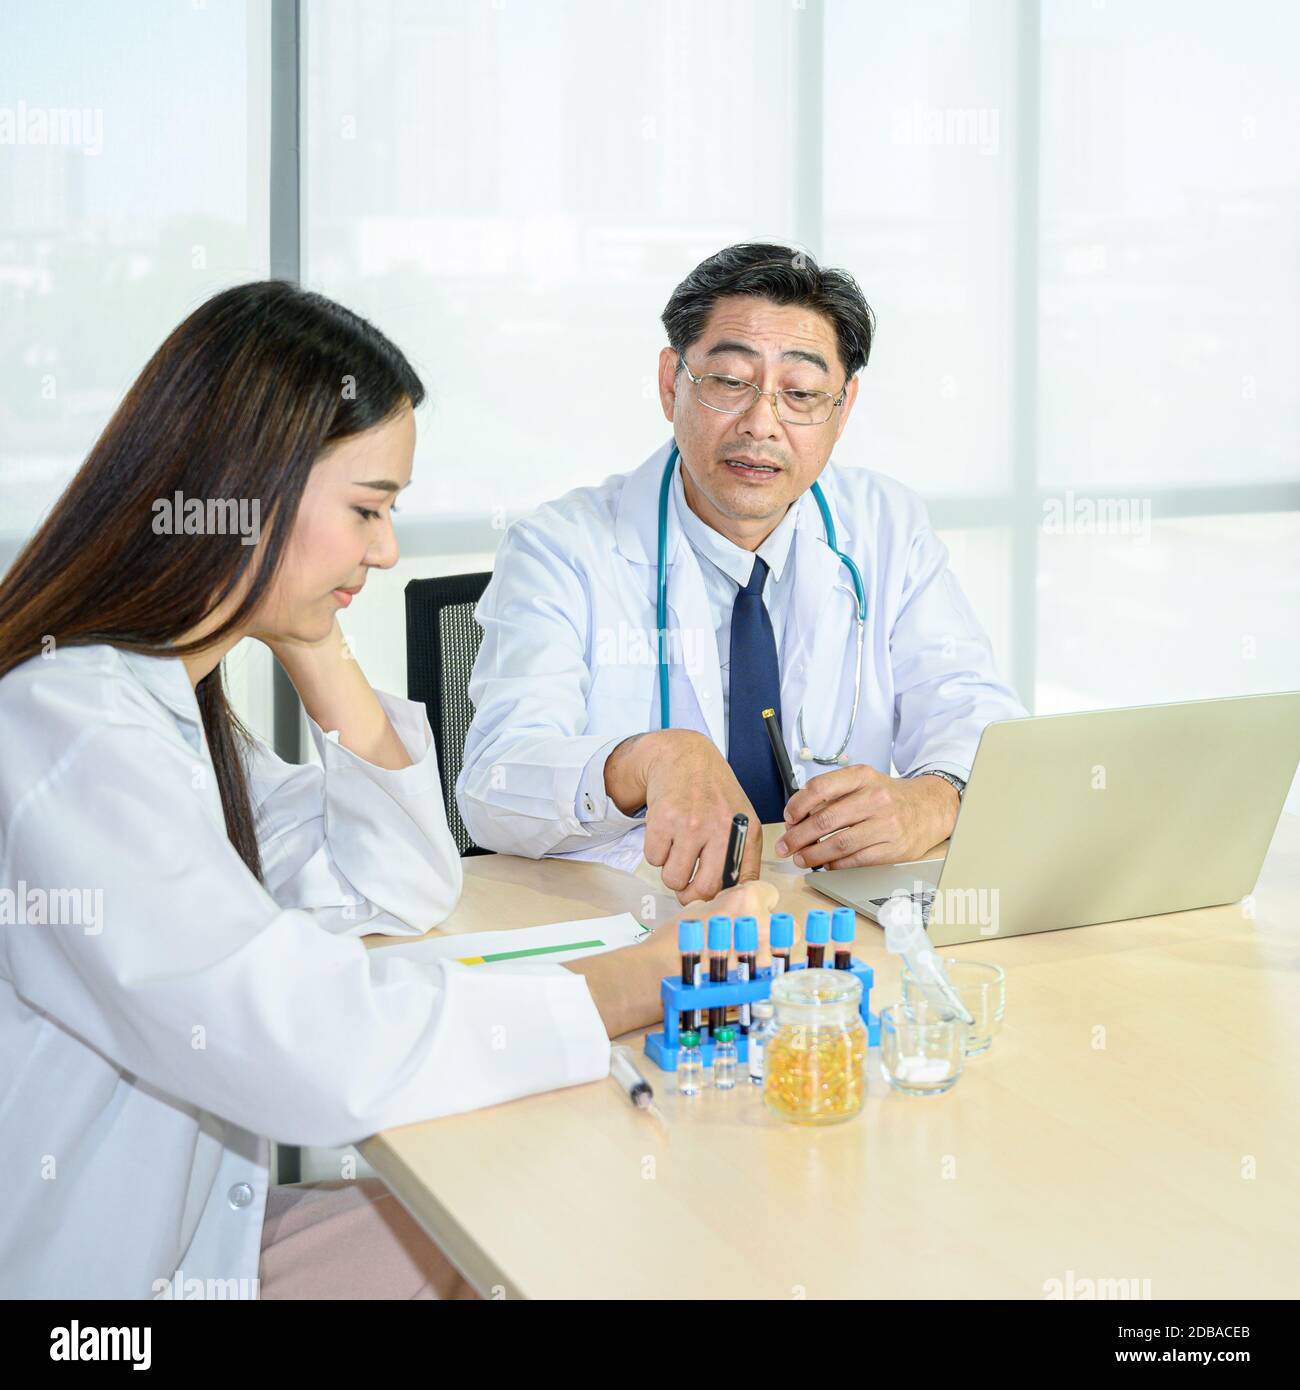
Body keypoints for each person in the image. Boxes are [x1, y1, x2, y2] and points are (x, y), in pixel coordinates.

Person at [0, 281, 773, 1299]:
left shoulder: (168, 706)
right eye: (367, 509)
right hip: (98, 1296)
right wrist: (643, 977)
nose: (385, 550)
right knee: (564, 1243)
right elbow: (315, 1047)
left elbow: (400, 888)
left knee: (540, 1225)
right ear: (247, 488)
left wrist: (315, 642)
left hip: (199, 1249)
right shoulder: (71, 733)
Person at [457, 243, 1027, 903]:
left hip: (830, 924)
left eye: (802, 394)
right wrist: (647, 761)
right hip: (639, 917)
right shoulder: (561, 547)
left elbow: (980, 716)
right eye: (730, 382)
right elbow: (493, 788)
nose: (761, 425)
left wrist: (931, 800)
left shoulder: (886, 527)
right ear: (672, 382)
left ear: (842, 410)